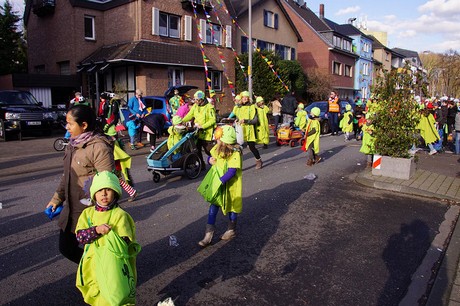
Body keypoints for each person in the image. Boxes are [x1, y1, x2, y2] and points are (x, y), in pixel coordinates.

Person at [45, 104, 114, 264]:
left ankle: (102, 274)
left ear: (84, 125)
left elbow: (108, 182)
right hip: (71, 209)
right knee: (67, 248)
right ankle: (94, 269)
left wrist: (104, 211)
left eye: (70, 123)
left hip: (91, 210)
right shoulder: (72, 145)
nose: (67, 127)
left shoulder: (99, 147)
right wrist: (56, 199)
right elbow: (67, 176)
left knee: (97, 247)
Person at [75, 171, 138, 306]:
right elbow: (80, 236)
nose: (103, 194)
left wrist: (114, 238)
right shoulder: (88, 214)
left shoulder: (120, 215)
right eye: (99, 190)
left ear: (115, 192)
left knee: (114, 294)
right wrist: (96, 230)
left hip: (113, 264)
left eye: (108, 189)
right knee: (98, 293)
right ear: (94, 194)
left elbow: (125, 242)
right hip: (93, 263)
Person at [198, 125, 243, 247]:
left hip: (230, 187)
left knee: (232, 207)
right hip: (219, 185)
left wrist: (220, 181)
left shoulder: (235, 153)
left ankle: (231, 230)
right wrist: (209, 160)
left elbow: (232, 171)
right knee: (213, 206)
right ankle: (208, 234)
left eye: (218, 138)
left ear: (224, 141)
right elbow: (210, 157)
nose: (216, 140)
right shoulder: (217, 148)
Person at [182, 90, 217, 170]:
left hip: (206, 132)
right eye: (195, 99)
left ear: (202, 99)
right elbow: (189, 115)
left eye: (197, 100)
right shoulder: (195, 106)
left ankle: (218, 162)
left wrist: (203, 126)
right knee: (196, 149)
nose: (196, 101)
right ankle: (202, 165)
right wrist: (181, 121)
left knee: (209, 150)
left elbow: (213, 120)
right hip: (197, 132)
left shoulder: (209, 107)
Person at [229, 91, 263, 169]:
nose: (245, 98)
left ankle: (258, 160)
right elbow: (236, 116)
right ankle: (236, 165)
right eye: (244, 97)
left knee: (252, 147)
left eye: (247, 97)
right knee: (237, 148)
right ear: (241, 98)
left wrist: (246, 121)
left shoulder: (252, 107)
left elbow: (255, 120)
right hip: (240, 129)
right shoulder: (237, 107)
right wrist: (236, 120)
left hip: (249, 130)